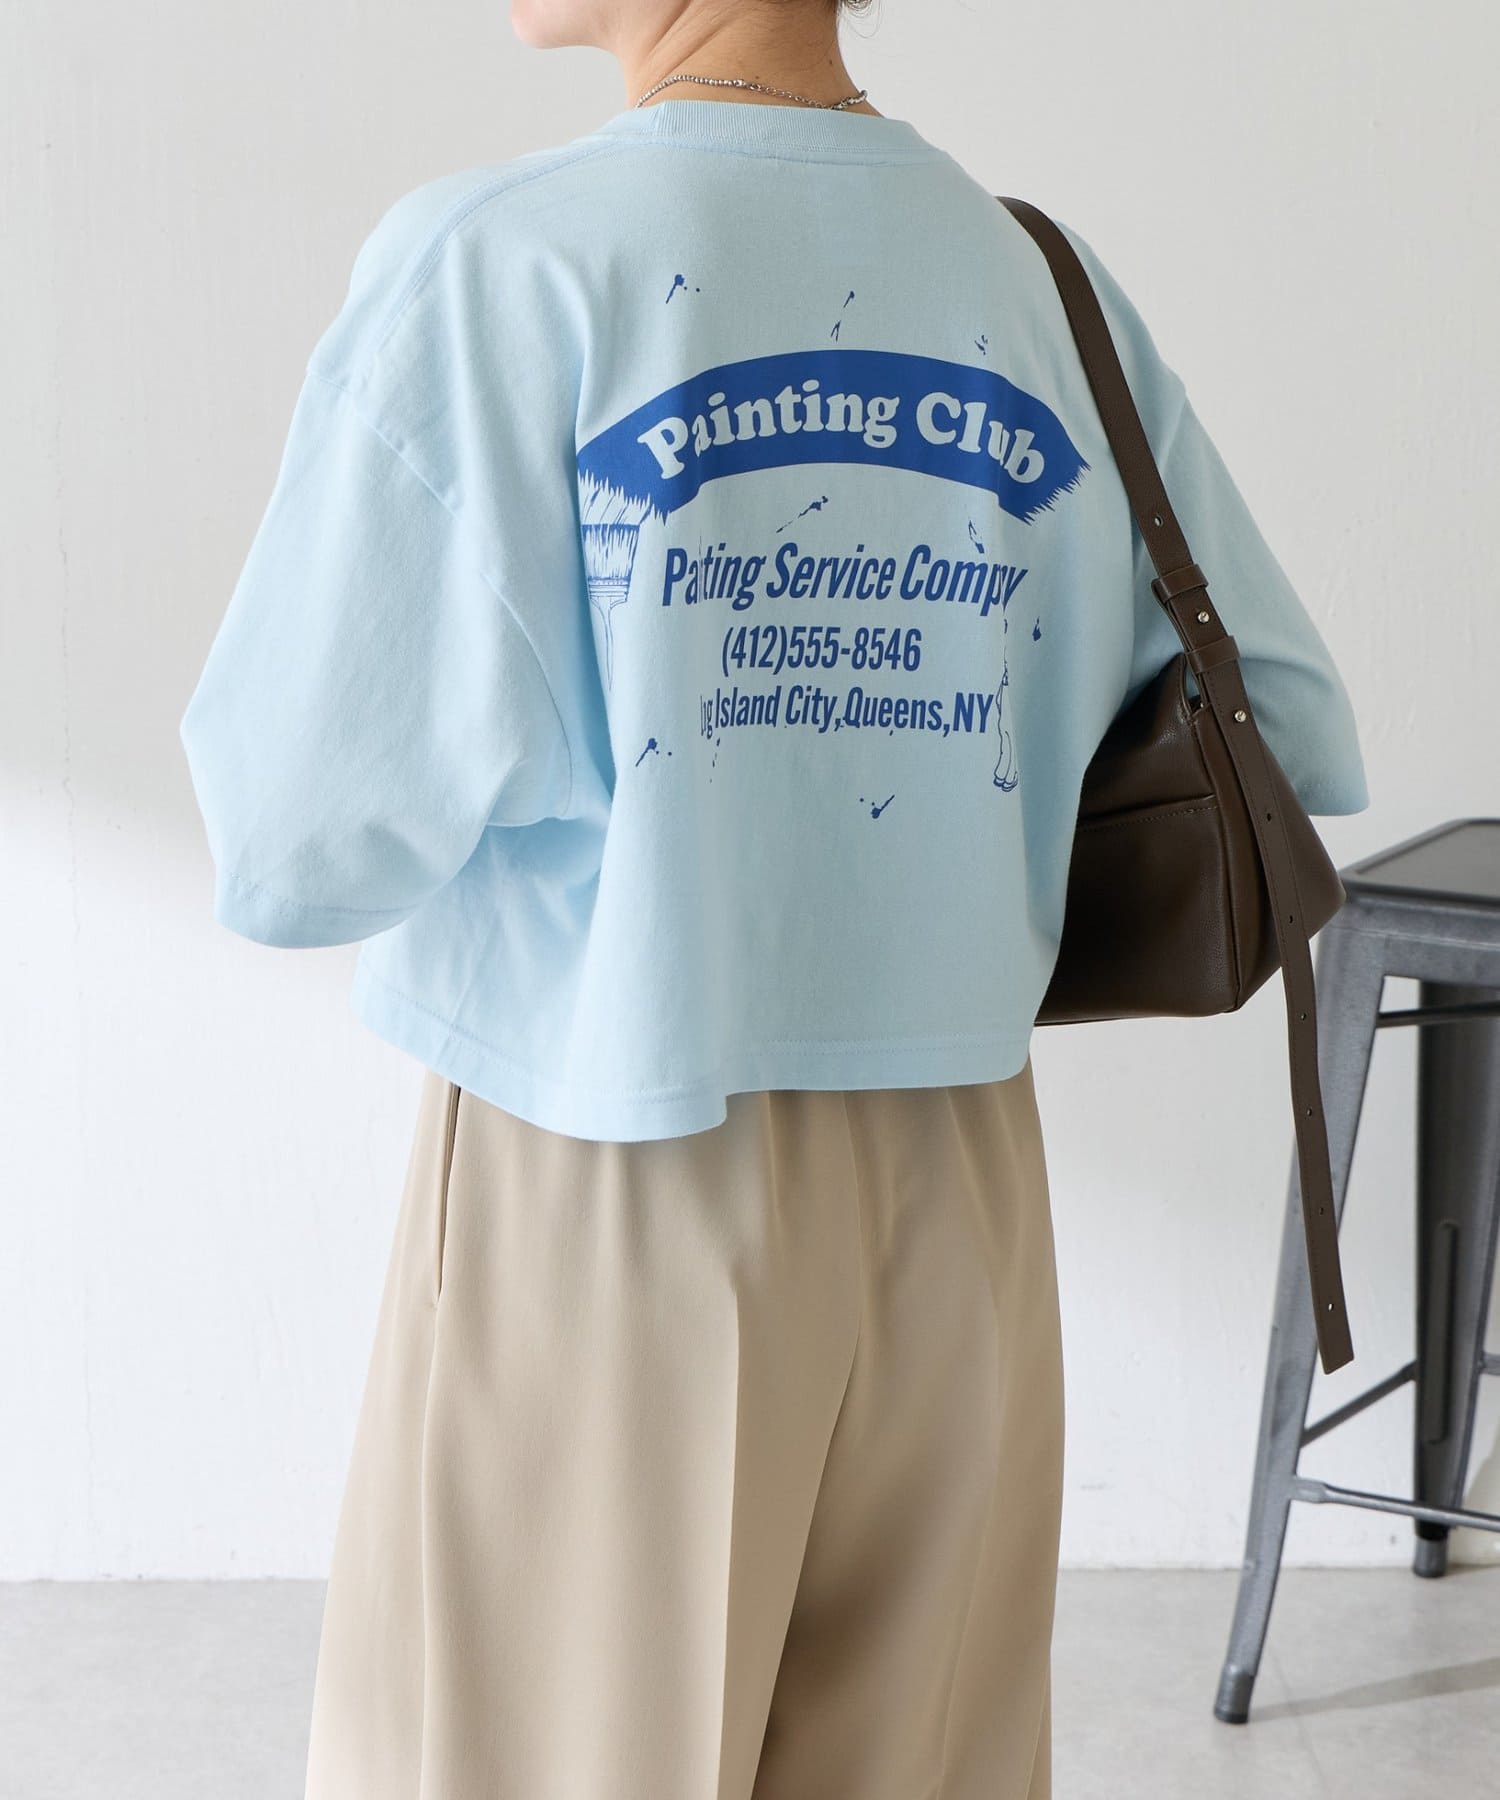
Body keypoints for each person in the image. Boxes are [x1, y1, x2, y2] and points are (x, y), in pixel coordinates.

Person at [177, 2, 1372, 1795]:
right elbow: (1286, 717)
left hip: (613, 1175)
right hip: (963, 1198)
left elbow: (289, 839)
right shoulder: (1034, 280)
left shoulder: (498, 264)